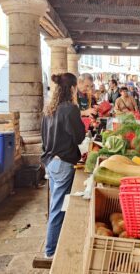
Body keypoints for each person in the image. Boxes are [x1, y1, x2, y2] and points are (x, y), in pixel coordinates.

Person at [41, 73, 85, 259]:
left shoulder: (50, 108)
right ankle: (50, 252)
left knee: (55, 206)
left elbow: (44, 137)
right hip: (63, 163)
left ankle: (56, 244)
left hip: (51, 160)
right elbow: (79, 137)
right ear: (72, 88)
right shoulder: (70, 109)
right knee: (58, 209)